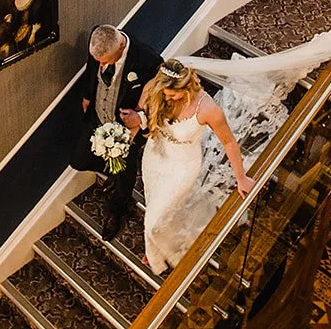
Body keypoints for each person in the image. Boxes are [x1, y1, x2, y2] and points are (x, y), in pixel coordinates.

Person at [137, 61, 250, 274]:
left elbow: (228, 142)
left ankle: (155, 253)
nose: (168, 99)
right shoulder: (156, 88)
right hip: (155, 155)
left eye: (173, 95)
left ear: (188, 87)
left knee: (153, 220)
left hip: (182, 167)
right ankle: (155, 248)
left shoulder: (208, 109)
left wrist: (241, 177)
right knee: (153, 204)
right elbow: (143, 115)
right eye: (165, 95)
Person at [73, 24, 162, 240]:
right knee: (79, 161)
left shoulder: (148, 61)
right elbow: (91, 69)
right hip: (97, 118)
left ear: (121, 46)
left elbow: (159, 102)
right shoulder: (100, 37)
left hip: (126, 130)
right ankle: (111, 171)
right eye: (99, 61)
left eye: (107, 61)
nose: (102, 65)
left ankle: (118, 210)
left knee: (124, 175)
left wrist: (139, 119)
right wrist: (87, 96)